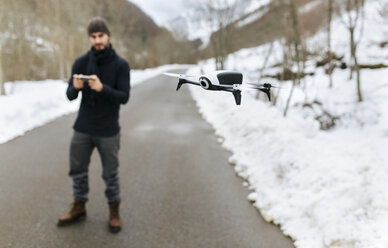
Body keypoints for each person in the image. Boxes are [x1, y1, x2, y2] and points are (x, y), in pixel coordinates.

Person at [57, 17, 130, 233]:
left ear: (108, 36)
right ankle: (79, 207)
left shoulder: (120, 65)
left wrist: (102, 88)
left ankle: (114, 212)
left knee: (111, 174)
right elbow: (70, 95)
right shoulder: (81, 62)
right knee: (77, 171)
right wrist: (76, 87)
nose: (97, 40)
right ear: (90, 37)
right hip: (82, 128)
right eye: (93, 36)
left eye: (101, 36)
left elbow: (124, 97)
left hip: (108, 130)